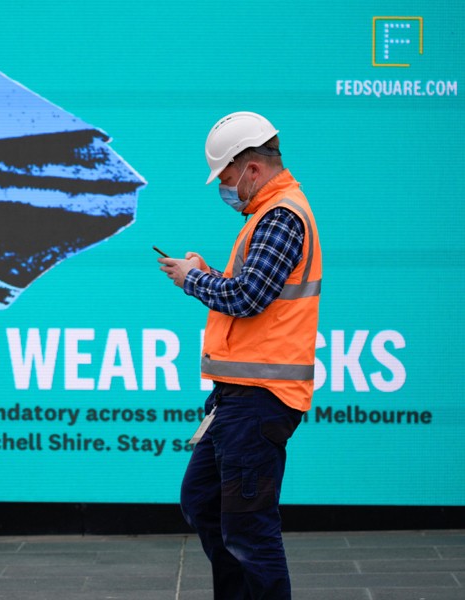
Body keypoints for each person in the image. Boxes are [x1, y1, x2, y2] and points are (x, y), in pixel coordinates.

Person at [159, 111, 321, 599]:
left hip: (259, 399)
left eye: (227, 179)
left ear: (251, 167)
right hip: (239, 399)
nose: (226, 190)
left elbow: (247, 298)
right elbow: (250, 293)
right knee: (203, 502)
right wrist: (209, 273)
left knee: (250, 529)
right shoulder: (269, 217)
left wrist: (193, 280)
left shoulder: (281, 217)